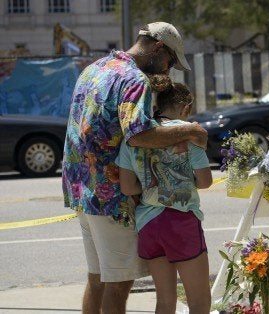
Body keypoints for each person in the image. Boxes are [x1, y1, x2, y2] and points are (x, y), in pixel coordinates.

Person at [62, 22, 207, 314]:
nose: (168, 70)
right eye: (169, 60)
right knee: (118, 283)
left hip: (82, 190)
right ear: (157, 48)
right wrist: (190, 131)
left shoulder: (95, 68)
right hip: (110, 197)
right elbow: (139, 135)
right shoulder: (133, 79)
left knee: (98, 278)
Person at [116, 75, 212, 313]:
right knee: (199, 302)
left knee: (165, 301)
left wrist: (152, 186)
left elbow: (127, 187)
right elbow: (205, 181)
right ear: (185, 107)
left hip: (148, 224)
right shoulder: (190, 134)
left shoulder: (135, 137)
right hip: (180, 221)